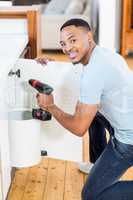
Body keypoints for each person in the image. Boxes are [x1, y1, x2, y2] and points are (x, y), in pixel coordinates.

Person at [36, 18, 133, 199]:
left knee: (92, 195)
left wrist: (50, 106)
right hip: (128, 118)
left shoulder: (94, 74)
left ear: (89, 36)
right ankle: (98, 165)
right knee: (92, 113)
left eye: (73, 40)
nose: (67, 48)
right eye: (63, 44)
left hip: (129, 142)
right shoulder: (104, 54)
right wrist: (53, 67)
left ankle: (102, 169)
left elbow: (79, 128)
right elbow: (85, 72)